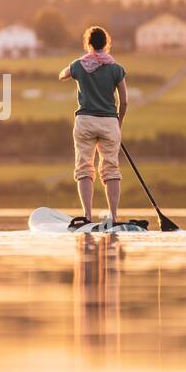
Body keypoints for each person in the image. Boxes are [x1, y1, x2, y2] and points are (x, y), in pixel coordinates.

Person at [58, 26, 127, 227]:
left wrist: (80, 62)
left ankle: (87, 216)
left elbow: (62, 75)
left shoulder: (79, 65)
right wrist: (118, 123)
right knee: (111, 169)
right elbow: (124, 102)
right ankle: (113, 217)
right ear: (106, 44)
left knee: (84, 167)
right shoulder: (116, 68)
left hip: (85, 121)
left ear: (88, 44)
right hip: (109, 122)